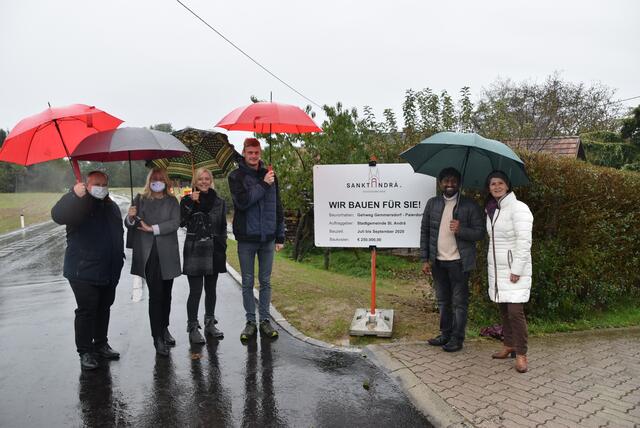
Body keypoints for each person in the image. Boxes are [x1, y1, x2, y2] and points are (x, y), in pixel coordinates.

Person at [51, 171, 124, 370]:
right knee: (87, 310)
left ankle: (100, 343)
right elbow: (58, 215)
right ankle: (85, 351)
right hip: (83, 270)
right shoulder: (79, 203)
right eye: (96, 183)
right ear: (87, 184)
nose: (100, 187)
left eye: (103, 183)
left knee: (104, 307)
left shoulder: (111, 206)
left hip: (109, 269)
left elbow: (118, 233)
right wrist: (74, 195)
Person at [420, 167, 484, 352]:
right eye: (446, 181)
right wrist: (425, 259)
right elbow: (425, 232)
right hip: (438, 262)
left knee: (459, 303)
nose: (449, 184)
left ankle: (457, 339)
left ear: (459, 183)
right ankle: (445, 334)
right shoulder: (432, 204)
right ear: (440, 183)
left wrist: (461, 229)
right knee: (443, 301)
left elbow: (480, 233)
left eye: (453, 181)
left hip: (459, 263)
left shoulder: (469, 206)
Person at [228, 138, 285, 341]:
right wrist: (263, 184)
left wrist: (280, 235)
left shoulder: (270, 175)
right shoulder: (236, 176)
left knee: (266, 281)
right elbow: (243, 202)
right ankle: (250, 321)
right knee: (247, 281)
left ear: (260, 152)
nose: (253, 156)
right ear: (244, 153)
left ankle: (265, 321)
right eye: (250, 152)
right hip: (246, 238)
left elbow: (277, 206)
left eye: (256, 152)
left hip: (267, 237)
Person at [126, 168, 181, 357]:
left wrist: (153, 228)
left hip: (168, 254)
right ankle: (156, 336)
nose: (157, 181)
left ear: (166, 181)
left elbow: (175, 222)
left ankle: (164, 328)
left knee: (167, 294)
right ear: (149, 180)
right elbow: (129, 224)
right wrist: (130, 216)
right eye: (154, 178)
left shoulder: (172, 201)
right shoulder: (140, 199)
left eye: (161, 178)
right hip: (149, 254)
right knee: (156, 295)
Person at [484, 170, 533, 373]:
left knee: (515, 312)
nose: (496, 187)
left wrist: (517, 269)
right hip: (497, 268)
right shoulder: (492, 209)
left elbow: (524, 241)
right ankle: (509, 345)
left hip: (514, 269)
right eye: (493, 184)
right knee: (504, 309)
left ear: (508, 185)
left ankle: (521, 354)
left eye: (500, 183)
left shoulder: (519, 208)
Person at [180, 167, 228, 343]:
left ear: (211, 180)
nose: (204, 182)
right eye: (200, 179)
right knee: (195, 291)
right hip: (195, 250)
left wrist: (222, 248)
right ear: (195, 181)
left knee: (211, 289)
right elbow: (181, 222)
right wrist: (191, 203)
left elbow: (222, 226)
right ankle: (192, 326)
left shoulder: (220, 201)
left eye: (207, 179)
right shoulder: (187, 199)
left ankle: (210, 323)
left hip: (215, 249)